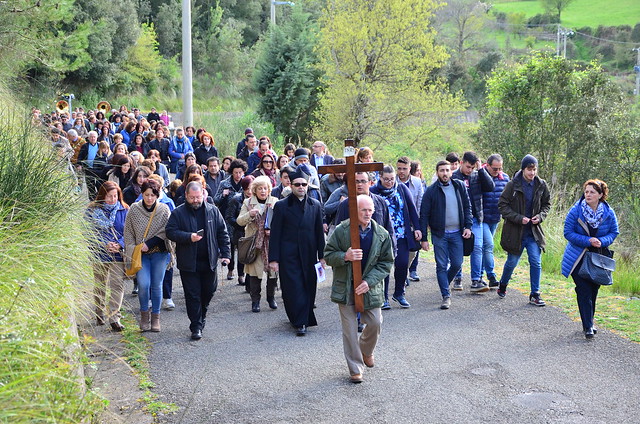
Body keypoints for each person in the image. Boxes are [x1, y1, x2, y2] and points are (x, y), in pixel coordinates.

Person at [324, 195, 394, 383]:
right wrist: (345, 256)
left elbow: (386, 262)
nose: (368, 213)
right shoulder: (342, 230)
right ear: (355, 211)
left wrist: (369, 282)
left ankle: (366, 350)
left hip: (369, 288)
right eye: (363, 210)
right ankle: (355, 368)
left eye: (370, 210)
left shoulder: (381, 234)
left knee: (375, 322)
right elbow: (328, 255)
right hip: (345, 286)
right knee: (349, 330)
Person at [166, 182, 231, 340]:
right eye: (192, 197)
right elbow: (170, 231)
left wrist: (226, 254)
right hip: (189, 263)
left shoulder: (213, 211)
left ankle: (202, 315)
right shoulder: (178, 213)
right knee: (193, 294)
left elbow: (222, 233)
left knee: (209, 291)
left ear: (203, 194)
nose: (195, 200)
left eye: (198, 197)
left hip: (209, 261)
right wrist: (188, 237)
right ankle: (195, 325)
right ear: (186, 196)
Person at [269, 168, 325, 336]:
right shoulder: (281, 206)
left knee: (308, 286)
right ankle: (299, 321)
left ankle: (304, 318)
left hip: (309, 254)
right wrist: (274, 259)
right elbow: (275, 234)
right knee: (293, 288)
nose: (301, 187)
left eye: (304, 184)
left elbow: (319, 233)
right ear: (291, 185)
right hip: (289, 255)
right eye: (297, 184)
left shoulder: (315, 205)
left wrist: (322, 256)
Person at [561, 180, 618, 339]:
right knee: (583, 289)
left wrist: (602, 241)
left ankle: (590, 321)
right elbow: (568, 233)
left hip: (599, 257)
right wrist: (588, 241)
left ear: (600, 195)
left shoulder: (608, 212)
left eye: (592, 192)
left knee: (593, 290)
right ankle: (588, 326)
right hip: (578, 256)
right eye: (586, 192)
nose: (588, 195)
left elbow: (614, 232)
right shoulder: (576, 211)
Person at [497, 154, 551, 306]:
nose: (532, 173)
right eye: (529, 169)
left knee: (535, 261)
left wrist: (540, 216)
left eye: (534, 169)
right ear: (523, 169)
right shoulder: (512, 185)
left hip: (533, 232)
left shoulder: (541, 184)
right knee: (512, 262)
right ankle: (503, 284)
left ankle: (535, 294)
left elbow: (547, 204)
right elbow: (502, 205)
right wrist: (519, 218)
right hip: (516, 232)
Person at [420, 161, 473, 310]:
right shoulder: (431, 191)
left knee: (457, 263)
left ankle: (444, 284)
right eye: (441, 170)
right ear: (437, 172)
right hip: (439, 234)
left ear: (451, 172)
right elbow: (423, 215)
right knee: (441, 265)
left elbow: (467, 207)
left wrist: (468, 226)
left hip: (457, 232)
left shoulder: (459, 186)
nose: (444, 173)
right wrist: (424, 238)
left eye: (447, 170)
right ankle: (446, 295)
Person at [124, 180, 173, 332]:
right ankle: (144, 315)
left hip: (159, 252)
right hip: (141, 254)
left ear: (157, 195)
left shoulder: (164, 209)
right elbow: (128, 232)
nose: (149, 198)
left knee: (156, 285)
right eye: (146, 195)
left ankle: (155, 318)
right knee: (144, 285)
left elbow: (167, 230)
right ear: (142, 194)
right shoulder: (134, 209)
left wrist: (150, 243)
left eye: (153, 195)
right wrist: (134, 249)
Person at [370, 165, 421, 309]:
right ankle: (384, 297)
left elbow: (411, 209)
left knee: (402, 264)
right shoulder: (373, 191)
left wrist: (417, 228)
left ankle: (399, 293)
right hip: (382, 235)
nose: (389, 182)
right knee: (384, 266)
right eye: (386, 179)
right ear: (380, 177)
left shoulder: (402, 189)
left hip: (401, 234)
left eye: (392, 179)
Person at [85, 181, 129, 331]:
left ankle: (115, 317)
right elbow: (87, 232)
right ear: (102, 196)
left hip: (118, 254)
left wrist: (120, 244)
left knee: (117, 285)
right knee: (100, 285)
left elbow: (130, 232)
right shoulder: (91, 211)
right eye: (109, 196)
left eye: (115, 196)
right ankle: (99, 312)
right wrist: (104, 243)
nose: (112, 199)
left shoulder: (124, 210)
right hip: (99, 253)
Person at [451, 151, 495, 292]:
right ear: (462, 163)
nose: (470, 170)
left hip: (476, 219)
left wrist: (480, 169)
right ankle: (457, 277)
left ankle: (476, 280)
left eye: (472, 167)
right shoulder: (453, 177)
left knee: (477, 247)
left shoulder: (477, 175)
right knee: (458, 249)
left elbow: (490, 186)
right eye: (468, 167)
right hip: (458, 220)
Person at [237, 176, 279, 312]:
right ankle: (255, 301)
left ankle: (271, 298)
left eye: (265, 188)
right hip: (255, 244)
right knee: (255, 274)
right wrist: (250, 214)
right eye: (260, 188)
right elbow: (239, 221)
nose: (262, 191)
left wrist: (272, 230)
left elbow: (282, 222)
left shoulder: (275, 202)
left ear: (269, 189)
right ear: (254, 190)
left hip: (271, 243)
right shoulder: (247, 202)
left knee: (272, 272)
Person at [214, 159, 247, 281]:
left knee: (242, 246)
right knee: (230, 246)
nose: (238, 175)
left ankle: (241, 274)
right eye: (235, 172)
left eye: (240, 172)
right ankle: (230, 269)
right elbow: (215, 200)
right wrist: (223, 195)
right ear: (231, 172)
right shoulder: (224, 183)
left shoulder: (247, 183)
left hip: (243, 219)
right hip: (228, 219)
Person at [481, 154, 510, 288]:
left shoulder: (505, 179)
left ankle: (480, 274)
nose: (497, 171)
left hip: (495, 218)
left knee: (484, 247)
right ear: (487, 166)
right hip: (482, 218)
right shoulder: (479, 176)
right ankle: (491, 275)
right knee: (488, 245)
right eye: (494, 169)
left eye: (500, 168)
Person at [397, 156, 424, 283]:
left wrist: (418, 225)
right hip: (398, 222)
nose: (401, 171)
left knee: (413, 250)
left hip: (413, 221)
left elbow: (420, 203)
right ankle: (402, 274)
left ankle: (407, 270)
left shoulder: (417, 182)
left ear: (409, 169)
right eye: (399, 169)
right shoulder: (393, 181)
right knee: (399, 251)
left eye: (404, 169)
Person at [225, 176, 254, 289]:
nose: (249, 191)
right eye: (247, 188)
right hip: (240, 231)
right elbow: (229, 217)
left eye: (251, 188)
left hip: (254, 231)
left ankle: (249, 280)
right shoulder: (236, 199)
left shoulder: (258, 199)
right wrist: (240, 223)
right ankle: (240, 274)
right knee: (242, 254)